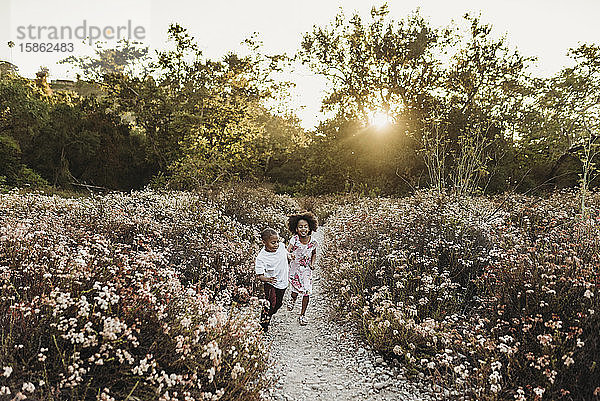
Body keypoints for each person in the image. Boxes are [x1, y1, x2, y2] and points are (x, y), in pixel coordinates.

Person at [286, 212, 318, 326]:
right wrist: (290, 256)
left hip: (306, 270)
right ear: (296, 228)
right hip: (295, 269)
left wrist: (312, 263)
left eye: (305, 226)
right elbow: (287, 251)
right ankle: (293, 299)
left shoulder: (313, 242)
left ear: (310, 228)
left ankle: (302, 315)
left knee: (306, 291)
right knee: (295, 291)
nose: (303, 229)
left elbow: (314, 254)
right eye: (300, 227)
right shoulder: (294, 239)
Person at [255, 228, 289, 331]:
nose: (276, 245)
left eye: (277, 241)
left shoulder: (281, 247)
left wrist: (290, 256)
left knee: (278, 304)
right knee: (270, 302)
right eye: (273, 242)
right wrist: (267, 279)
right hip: (270, 283)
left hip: (282, 281)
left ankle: (269, 314)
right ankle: (263, 324)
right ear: (264, 242)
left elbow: (285, 253)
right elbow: (259, 275)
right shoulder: (261, 257)